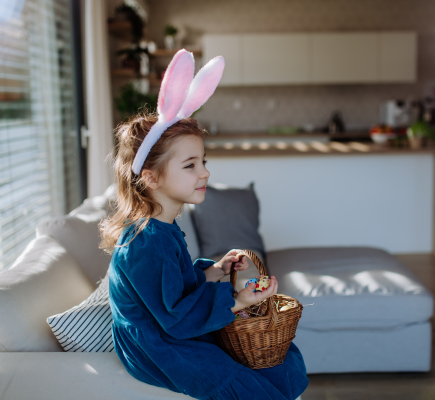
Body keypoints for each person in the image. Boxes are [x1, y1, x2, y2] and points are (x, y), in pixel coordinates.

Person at [99, 49, 309, 400]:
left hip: (173, 326)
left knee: (277, 361)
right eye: (190, 165)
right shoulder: (145, 242)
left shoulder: (163, 227)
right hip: (157, 344)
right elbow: (175, 318)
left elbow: (178, 288)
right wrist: (237, 301)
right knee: (237, 382)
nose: (205, 172)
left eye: (204, 161)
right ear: (151, 178)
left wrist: (215, 271)